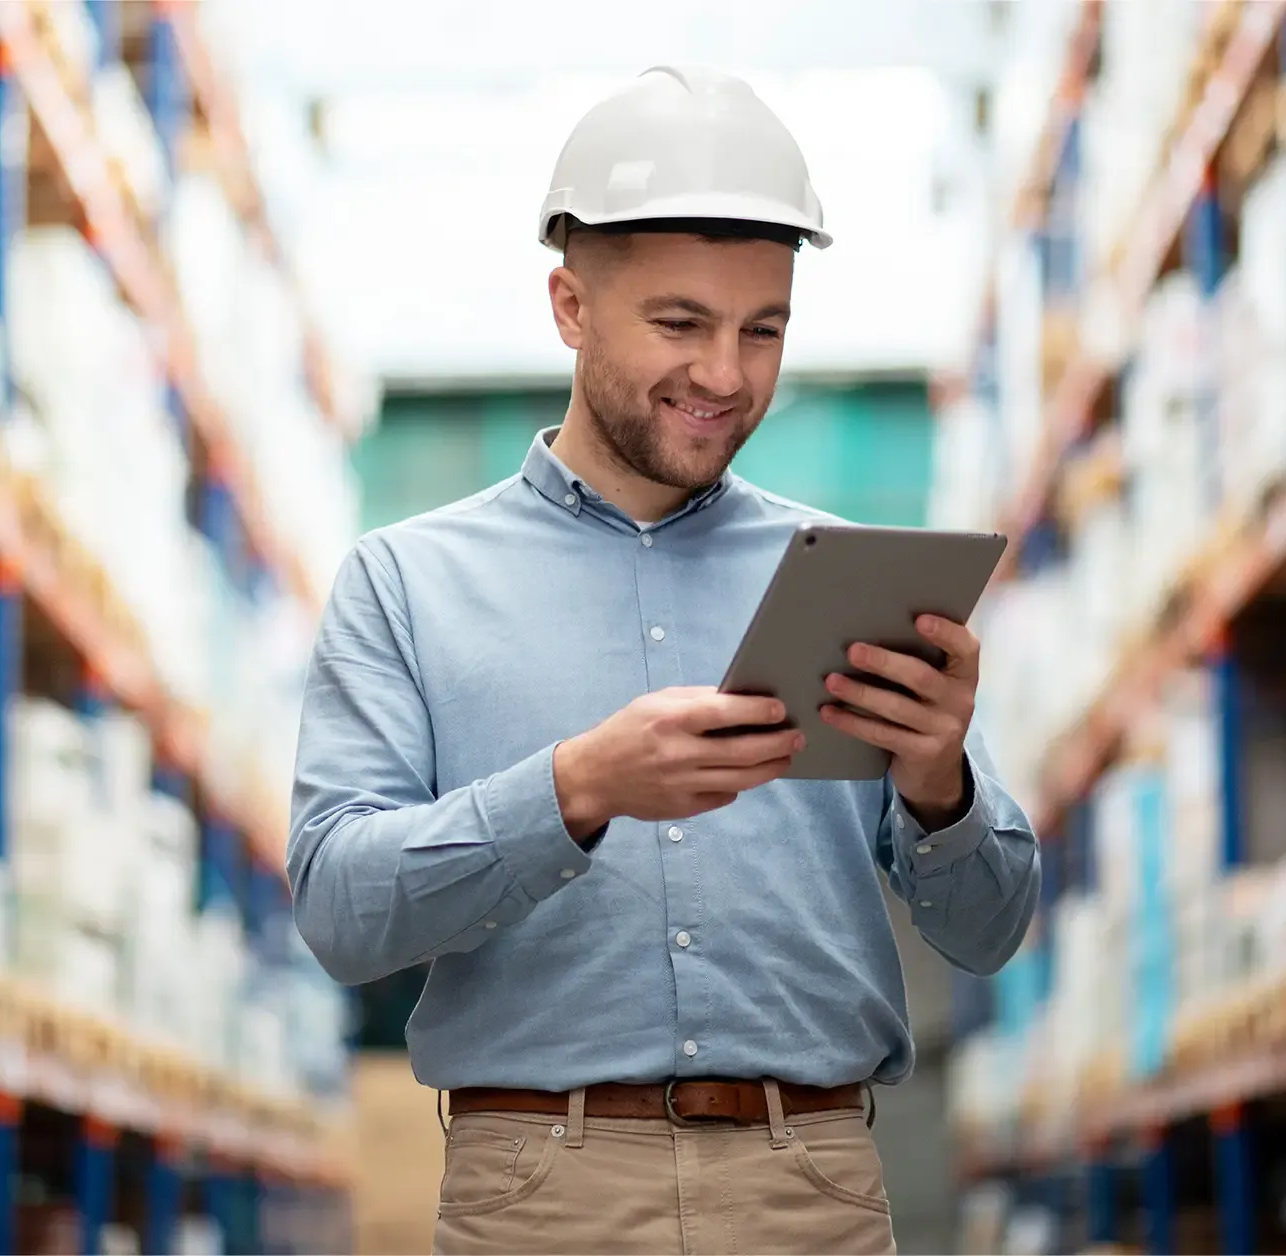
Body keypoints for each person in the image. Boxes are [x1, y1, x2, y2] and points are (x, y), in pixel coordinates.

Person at [288, 65, 1041, 1256]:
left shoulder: (852, 583)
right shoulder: (406, 583)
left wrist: (940, 780)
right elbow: (338, 908)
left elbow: (991, 929)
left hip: (815, 1185)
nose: (726, 376)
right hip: (535, 1191)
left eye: (763, 330)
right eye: (678, 324)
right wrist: (572, 789)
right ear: (569, 306)